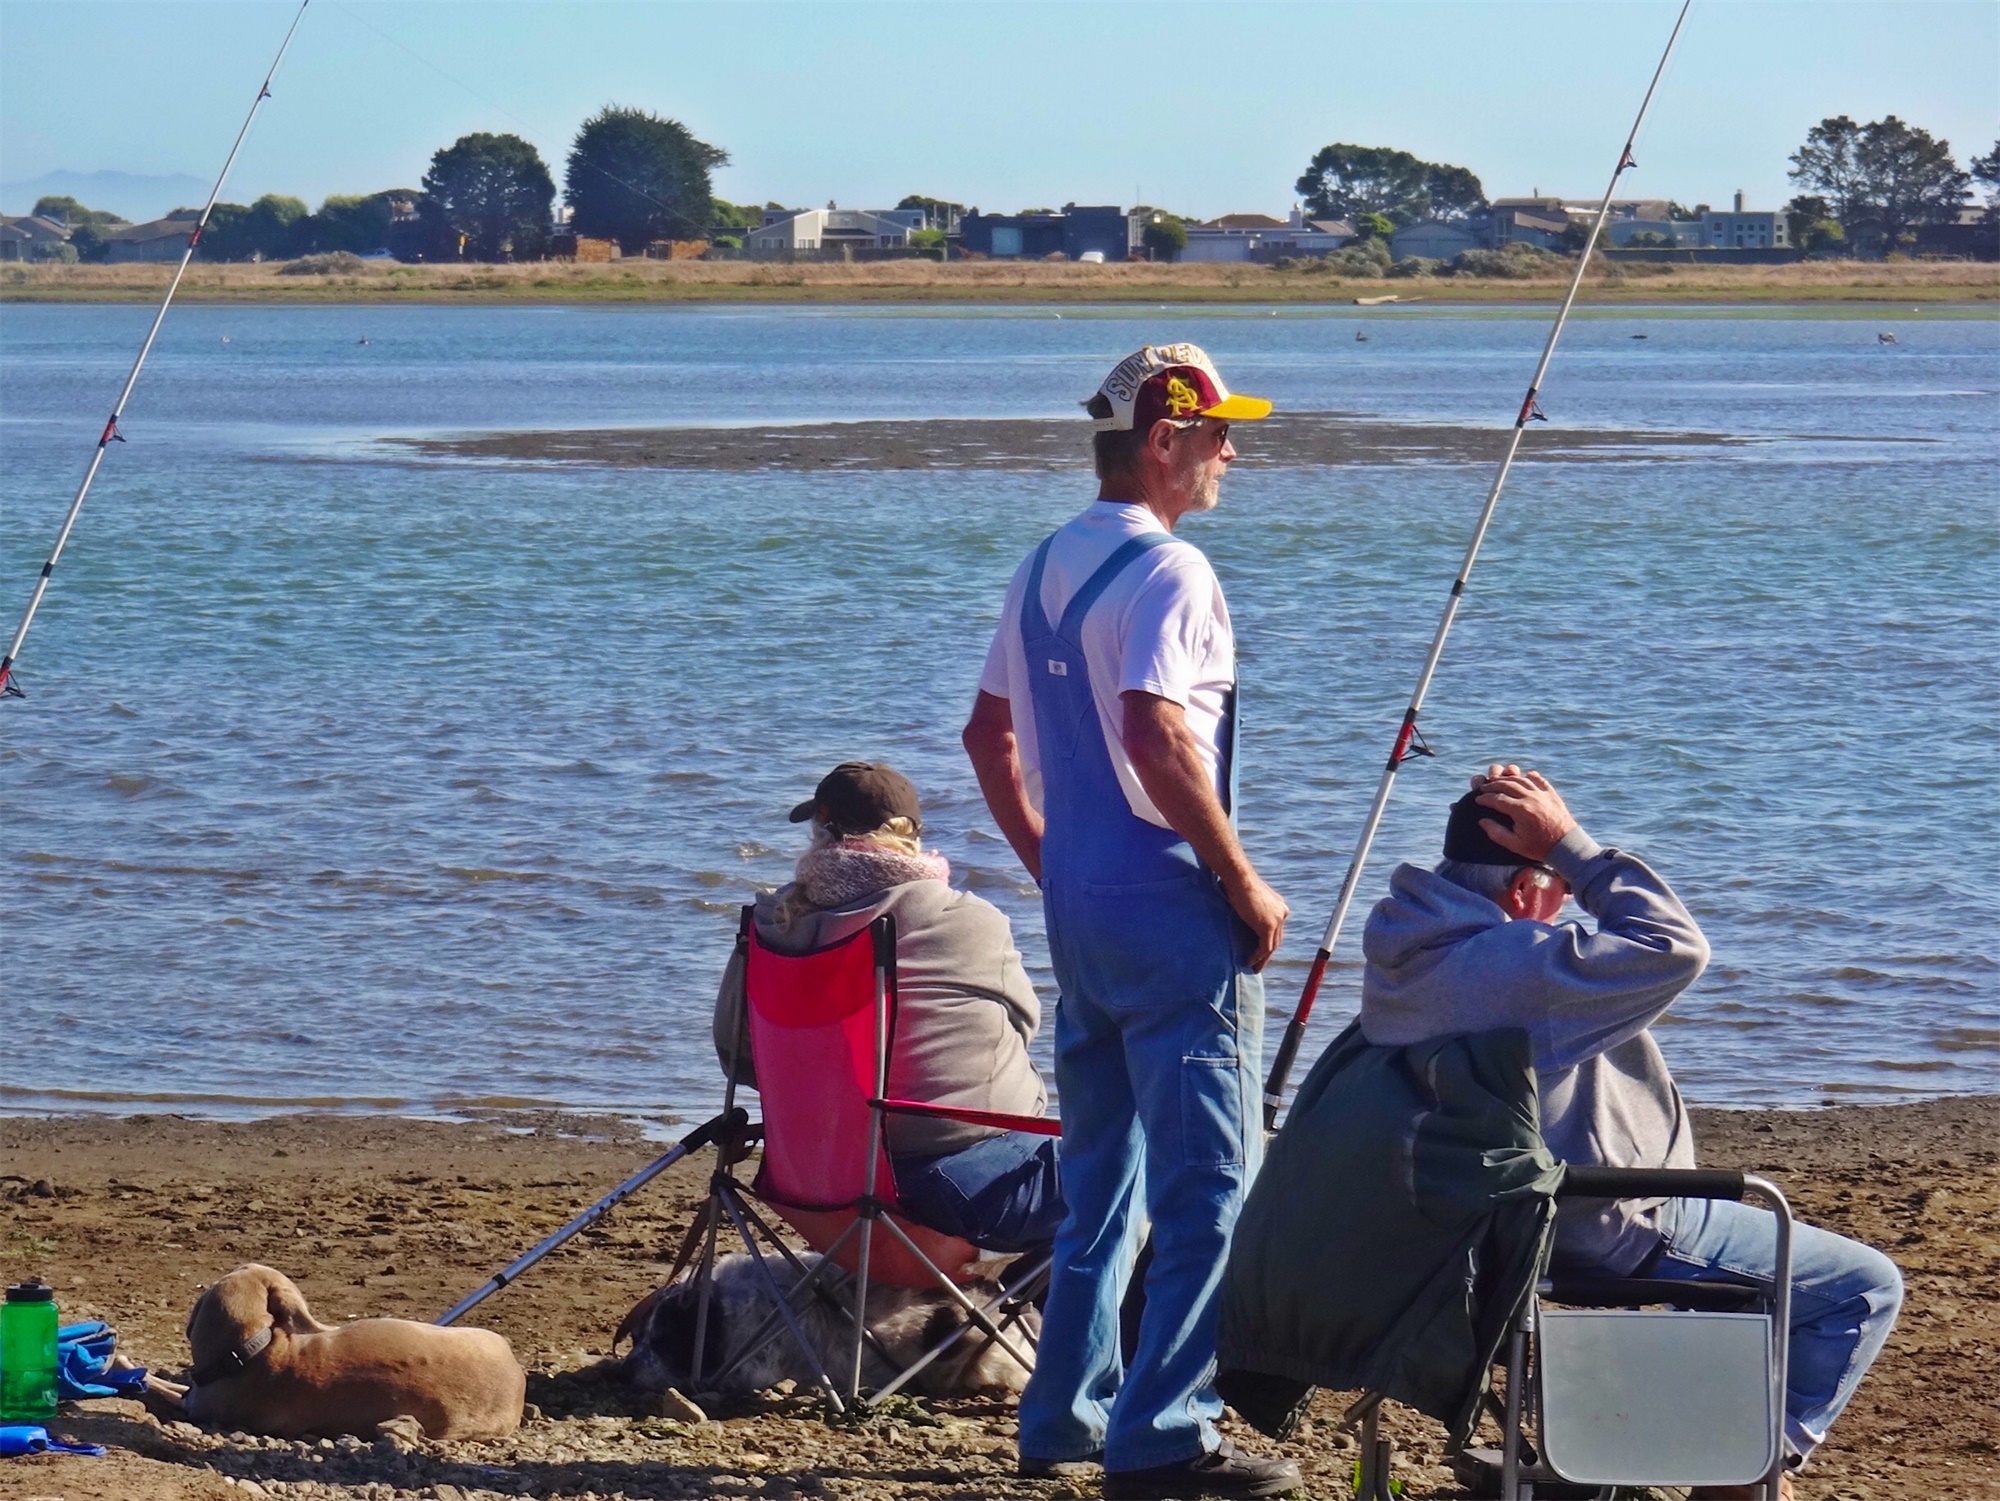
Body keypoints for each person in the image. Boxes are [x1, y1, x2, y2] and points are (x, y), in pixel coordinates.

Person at [1359, 763, 1903, 1494]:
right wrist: (1576, 847)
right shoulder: (1519, 969)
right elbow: (1678, 946)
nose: (1567, 918)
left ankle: (1640, 1435)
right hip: (1603, 1220)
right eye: (1555, 896)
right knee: (1864, 1287)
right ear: (1524, 892)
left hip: (1476, 1235)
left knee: (1720, 1300)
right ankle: (1742, 1468)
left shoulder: (1406, 952)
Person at [963, 344, 1299, 1499]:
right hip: (1165, 905)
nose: (1229, 454)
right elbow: (1157, 733)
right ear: (1162, 440)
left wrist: (1054, 861)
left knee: (1100, 1176)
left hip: (1081, 910)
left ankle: (1061, 1412)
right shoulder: (1175, 572)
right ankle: (1163, 1431)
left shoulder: (1043, 560)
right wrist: (1241, 880)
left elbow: (986, 739)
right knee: (1210, 1180)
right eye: (1215, 434)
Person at [714, 760, 1063, 1255]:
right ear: (913, 837)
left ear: (821, 833)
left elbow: (737, 1054)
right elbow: (1022, 1026)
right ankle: (1099, 1332)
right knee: (1141, 1172)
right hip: (958, 1191)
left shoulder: (769, 929)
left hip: (814, 1187)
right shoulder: (966, 921)